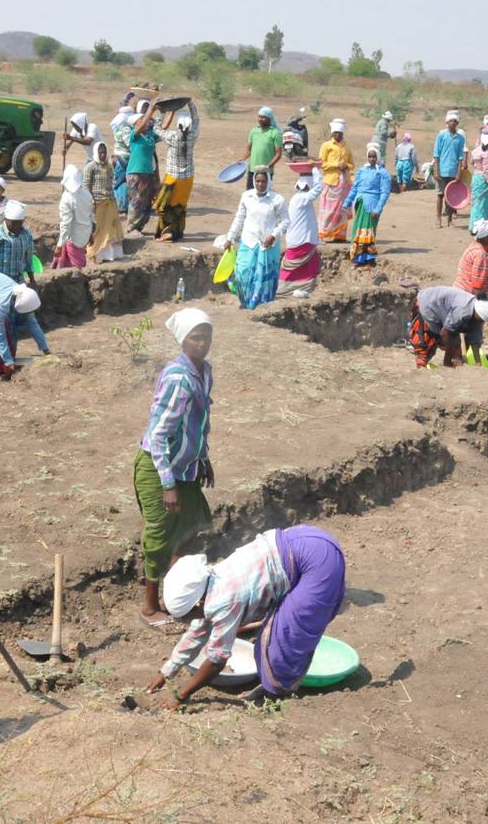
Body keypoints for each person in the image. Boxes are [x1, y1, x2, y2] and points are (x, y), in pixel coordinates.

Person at [145, 523, 345, 706]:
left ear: (198, 603)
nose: (189, 621)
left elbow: (217, 660)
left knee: (282, 639)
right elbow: (196, 634)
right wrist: (166, 673)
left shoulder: (224, 602)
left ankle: (276, 697)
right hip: (302, 538)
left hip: (318, 561)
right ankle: (274, 686)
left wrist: (180, 695)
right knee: (273, 636)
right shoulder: (210, 580)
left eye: (188, 615)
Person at [134, 309, 214, 632]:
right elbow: (157, 436)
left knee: (191, 527)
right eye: (196, 337)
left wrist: (204, 459)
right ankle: (151, 608)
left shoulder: (204, 372)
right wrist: (168, 484)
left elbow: (199, 424)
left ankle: (176, 597)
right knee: (160, 537)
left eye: (207, 336)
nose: (203, 343)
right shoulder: (178, 378)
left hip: (187, 468)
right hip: (159, 469)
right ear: (183, 340)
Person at [222, 167, 289, 309]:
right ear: (254, 181)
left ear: (268, 182)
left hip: (267, 245)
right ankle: (245, 302)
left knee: (262, 279)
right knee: (240, 274)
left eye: (263, 181)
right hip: (248, 241)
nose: (260, 184)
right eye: (258, 181)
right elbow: (239, 219)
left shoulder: (277, 200)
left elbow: (285, 221)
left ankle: (255, 307)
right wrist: (230, 237)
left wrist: (274, 235)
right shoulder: (246, 196)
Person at [408, 286, 488, 368]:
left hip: (445, 312)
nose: (480, 322)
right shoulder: (462, 311)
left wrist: (478, 366)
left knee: (455, 343)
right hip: (426, 304)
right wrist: (456, 357)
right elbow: (445, 333)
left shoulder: (476, 316)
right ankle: (421, 370)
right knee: (424, 344)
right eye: (480, 319)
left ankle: (448, 369)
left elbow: (474, 340)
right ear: (477, 313)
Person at [152, 100, 200, 242]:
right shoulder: (192, 137)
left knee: (167, 206)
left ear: (178, 124)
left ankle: (167, 232)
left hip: (173, 179)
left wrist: (162, 113)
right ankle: (177, 231)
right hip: (188, 179)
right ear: (189, 124)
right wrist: (191, 104)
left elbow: (156, 129)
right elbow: (197, 120)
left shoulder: (172, 137)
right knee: (180, 206)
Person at [278, 166, 323, 298]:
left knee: (305, 266)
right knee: (306, 266)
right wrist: (315, 169)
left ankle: (298, 290)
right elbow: (319, 189)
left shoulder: (298, 198)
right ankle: (284, 290)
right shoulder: (302, 198)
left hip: (300, 239)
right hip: (302, 240)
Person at [344, 144, 391, 267]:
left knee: (368, 232)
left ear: (378, 157)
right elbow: (355, 188)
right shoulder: (361, 171)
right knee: (358, 231)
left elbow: (385, 193)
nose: (372, 159)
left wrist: (378, 208)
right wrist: (347, 201)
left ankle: (369, 259)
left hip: (372, 206)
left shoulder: (383, 173)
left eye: (374, 157)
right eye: (370, 157)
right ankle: (358, 258)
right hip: (360, 204)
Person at [84, 142, 123, 263]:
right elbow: (85, 186)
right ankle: (94, 254)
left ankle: (108, 255)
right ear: (96, 152)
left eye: (104, 152)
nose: (102, 155)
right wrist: (91, 202)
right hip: (97, 203)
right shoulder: (90, 167)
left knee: (110, 228)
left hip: (109, 202)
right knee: (97, 230)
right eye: (100, 152)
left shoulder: (109, 167)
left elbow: (112, 184)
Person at [0, 199, 38, 285]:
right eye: (13, 223)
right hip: (0, 280)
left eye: (19, 223)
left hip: (19, 280)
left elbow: (28, 260)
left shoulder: (26, 235)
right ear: (6, 219)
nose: (16, 226)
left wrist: (32, 280)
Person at [317, 120, 354, 241]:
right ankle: (323, 233)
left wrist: (346, 166)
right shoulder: (326, 146)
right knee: (327, 209)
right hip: (330, 182)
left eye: (340, 133)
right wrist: (336, 165)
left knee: (342, 209)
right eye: (336, 133)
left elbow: (352, 164)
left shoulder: (347, 147)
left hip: (344, 184)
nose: (338, 135)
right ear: (332, 133)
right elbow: (321, 164)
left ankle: (339, 236)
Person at [125, 106, 158, 234]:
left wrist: (169, 112)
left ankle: (139, 226)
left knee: (146, 202)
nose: (144, 122)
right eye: (141, 120)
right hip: (136, 172)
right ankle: (132, 226)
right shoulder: (134, 135)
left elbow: (163, 128)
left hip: (148, 172)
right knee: (137, 201)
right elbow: (143, 124)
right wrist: (151, 111)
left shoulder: (149, 136)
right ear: (135, 124)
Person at [53, 164, 93, 269]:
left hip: (74, 238)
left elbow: (66, 224)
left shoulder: (67, 198)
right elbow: (91, 216)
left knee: (76, 267)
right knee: (78, 260)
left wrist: (59, 245)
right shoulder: (87, 194)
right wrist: (90, 234)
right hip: (84, 234)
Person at [433, 111, 468, 227]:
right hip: (442, 169)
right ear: (447, 122)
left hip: (453, 171)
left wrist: (459, 172)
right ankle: (438, 219)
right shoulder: (441, 136)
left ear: (457, 123)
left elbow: (460, 157)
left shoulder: (460, 139)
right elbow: (436, 154)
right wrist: (436, 170)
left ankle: (450, 219)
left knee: (452, 196)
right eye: (450, 121)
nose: (452, 123)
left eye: (454, 121)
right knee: (440, 194)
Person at [238, 107, 284, 181]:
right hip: (252, 170)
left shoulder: (276, 133)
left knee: (264, 191)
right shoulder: (254, 131)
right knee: (250, 192)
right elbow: (249, 149)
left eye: (263, 117)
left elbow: (278, 154)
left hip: (266, 171)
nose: (260, 119)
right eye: (259, 117)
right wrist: (243, 158)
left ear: (269, 118)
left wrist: (267, 167)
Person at [454, 220, 488, 296]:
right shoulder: (480, 255)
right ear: (486, 238)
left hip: (459, 291)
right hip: (466, 296)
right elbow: (477, 288)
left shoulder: (474, 246)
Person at [469, 127, 488, 227]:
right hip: (483, 179)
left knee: (476, 202)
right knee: (482, 204)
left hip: (476, 177)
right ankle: (480, 225)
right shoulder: (487, 154)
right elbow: (487, 170)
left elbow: (472, 162)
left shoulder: (476, 151)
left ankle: (473, 224)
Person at [110, 104, 134, 214]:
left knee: (119, 181)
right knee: (122, 182)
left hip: (118, 157)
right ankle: (121, 206)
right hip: (124, 158)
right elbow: (129, 143)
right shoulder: (125, 128)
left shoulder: (117, 126)